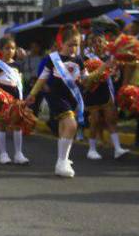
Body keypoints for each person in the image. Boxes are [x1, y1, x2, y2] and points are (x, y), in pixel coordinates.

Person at [26, 24, 84, 178]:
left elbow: (85, 79)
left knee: (64, 128)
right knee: (71, 125)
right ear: (62, 44)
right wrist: (33, 93)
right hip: (56, 96)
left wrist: (103, 68)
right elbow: (42, 77)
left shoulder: (79, 60)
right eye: (70, 44)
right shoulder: (53, 59)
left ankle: (62, 161)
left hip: (72, 97)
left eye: (76, 45)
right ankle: (62, 161)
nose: (73, 48)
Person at [81, 33, 128, 161]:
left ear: (105, 43)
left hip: (106, 92)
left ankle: (118, 148)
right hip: (92, 92)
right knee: (95, 120)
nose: (98, 44)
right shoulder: (86, 58)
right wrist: (101, 70)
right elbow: (86, 78)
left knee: (111, 119)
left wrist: (114, 72)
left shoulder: (109, 57)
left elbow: (114, 75)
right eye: (94, 42)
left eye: (100, 42)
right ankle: (91, 149)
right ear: (90, 44)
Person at [0, 37, 28, 165]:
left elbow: (20, 83)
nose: (10, 51)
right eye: (7, 48)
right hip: (2, 100)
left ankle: (18, 153)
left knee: (17, 126)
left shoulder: (18, 65)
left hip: (16, 99)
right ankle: (3, 154)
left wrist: (22, 99)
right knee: (2, 126)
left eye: (12, 48)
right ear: (1, 50)